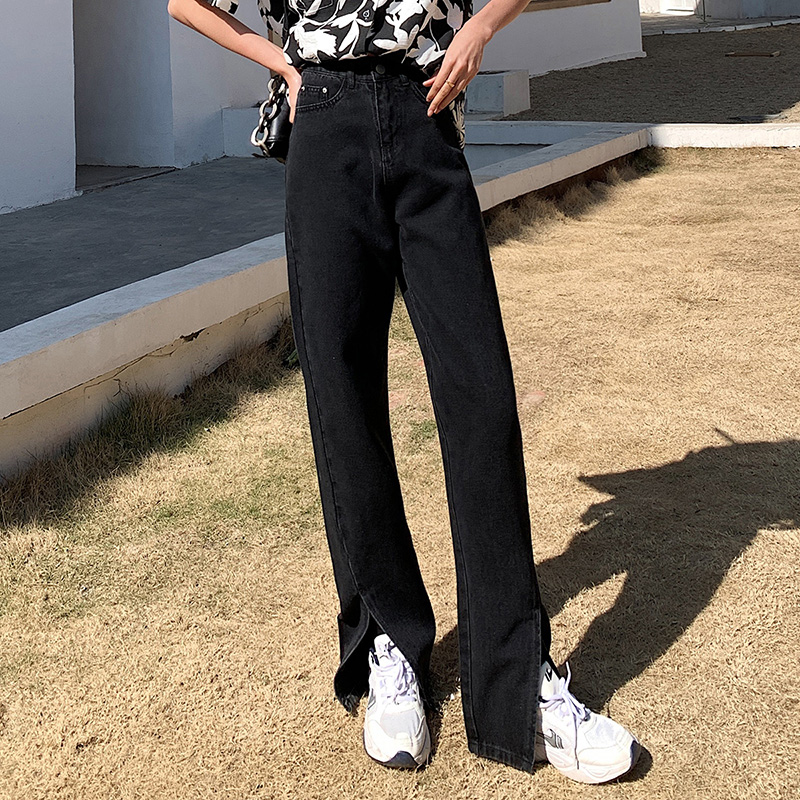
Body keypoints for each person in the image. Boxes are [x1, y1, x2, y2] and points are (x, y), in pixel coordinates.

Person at [167, 0, 641, 784]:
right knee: (344, 395)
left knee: (481, 395)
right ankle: (388, 641)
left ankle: (518, 686)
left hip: (426, 109)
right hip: (325, 118)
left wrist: (481, 28)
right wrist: (283, 65)